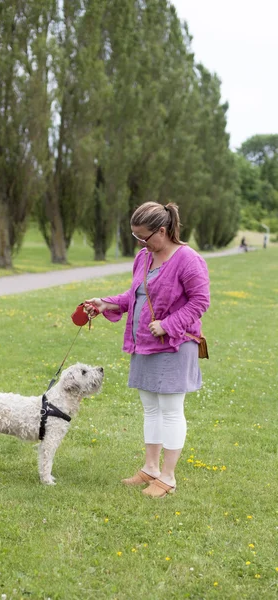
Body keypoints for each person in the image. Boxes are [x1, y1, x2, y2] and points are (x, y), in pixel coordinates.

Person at [84, 202, 210, 498]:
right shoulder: (143, 257)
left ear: (162, 231)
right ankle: (151, 468)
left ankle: (168, 477)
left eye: (143, 237)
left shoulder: (188, 259)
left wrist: (168, 324)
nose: (139, 243)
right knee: (151, 409)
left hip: (174, 346)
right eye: (135, 237)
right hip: (144, 343)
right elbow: (134, 295)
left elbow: (200, 301)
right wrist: (105, 303)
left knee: (170, 411)